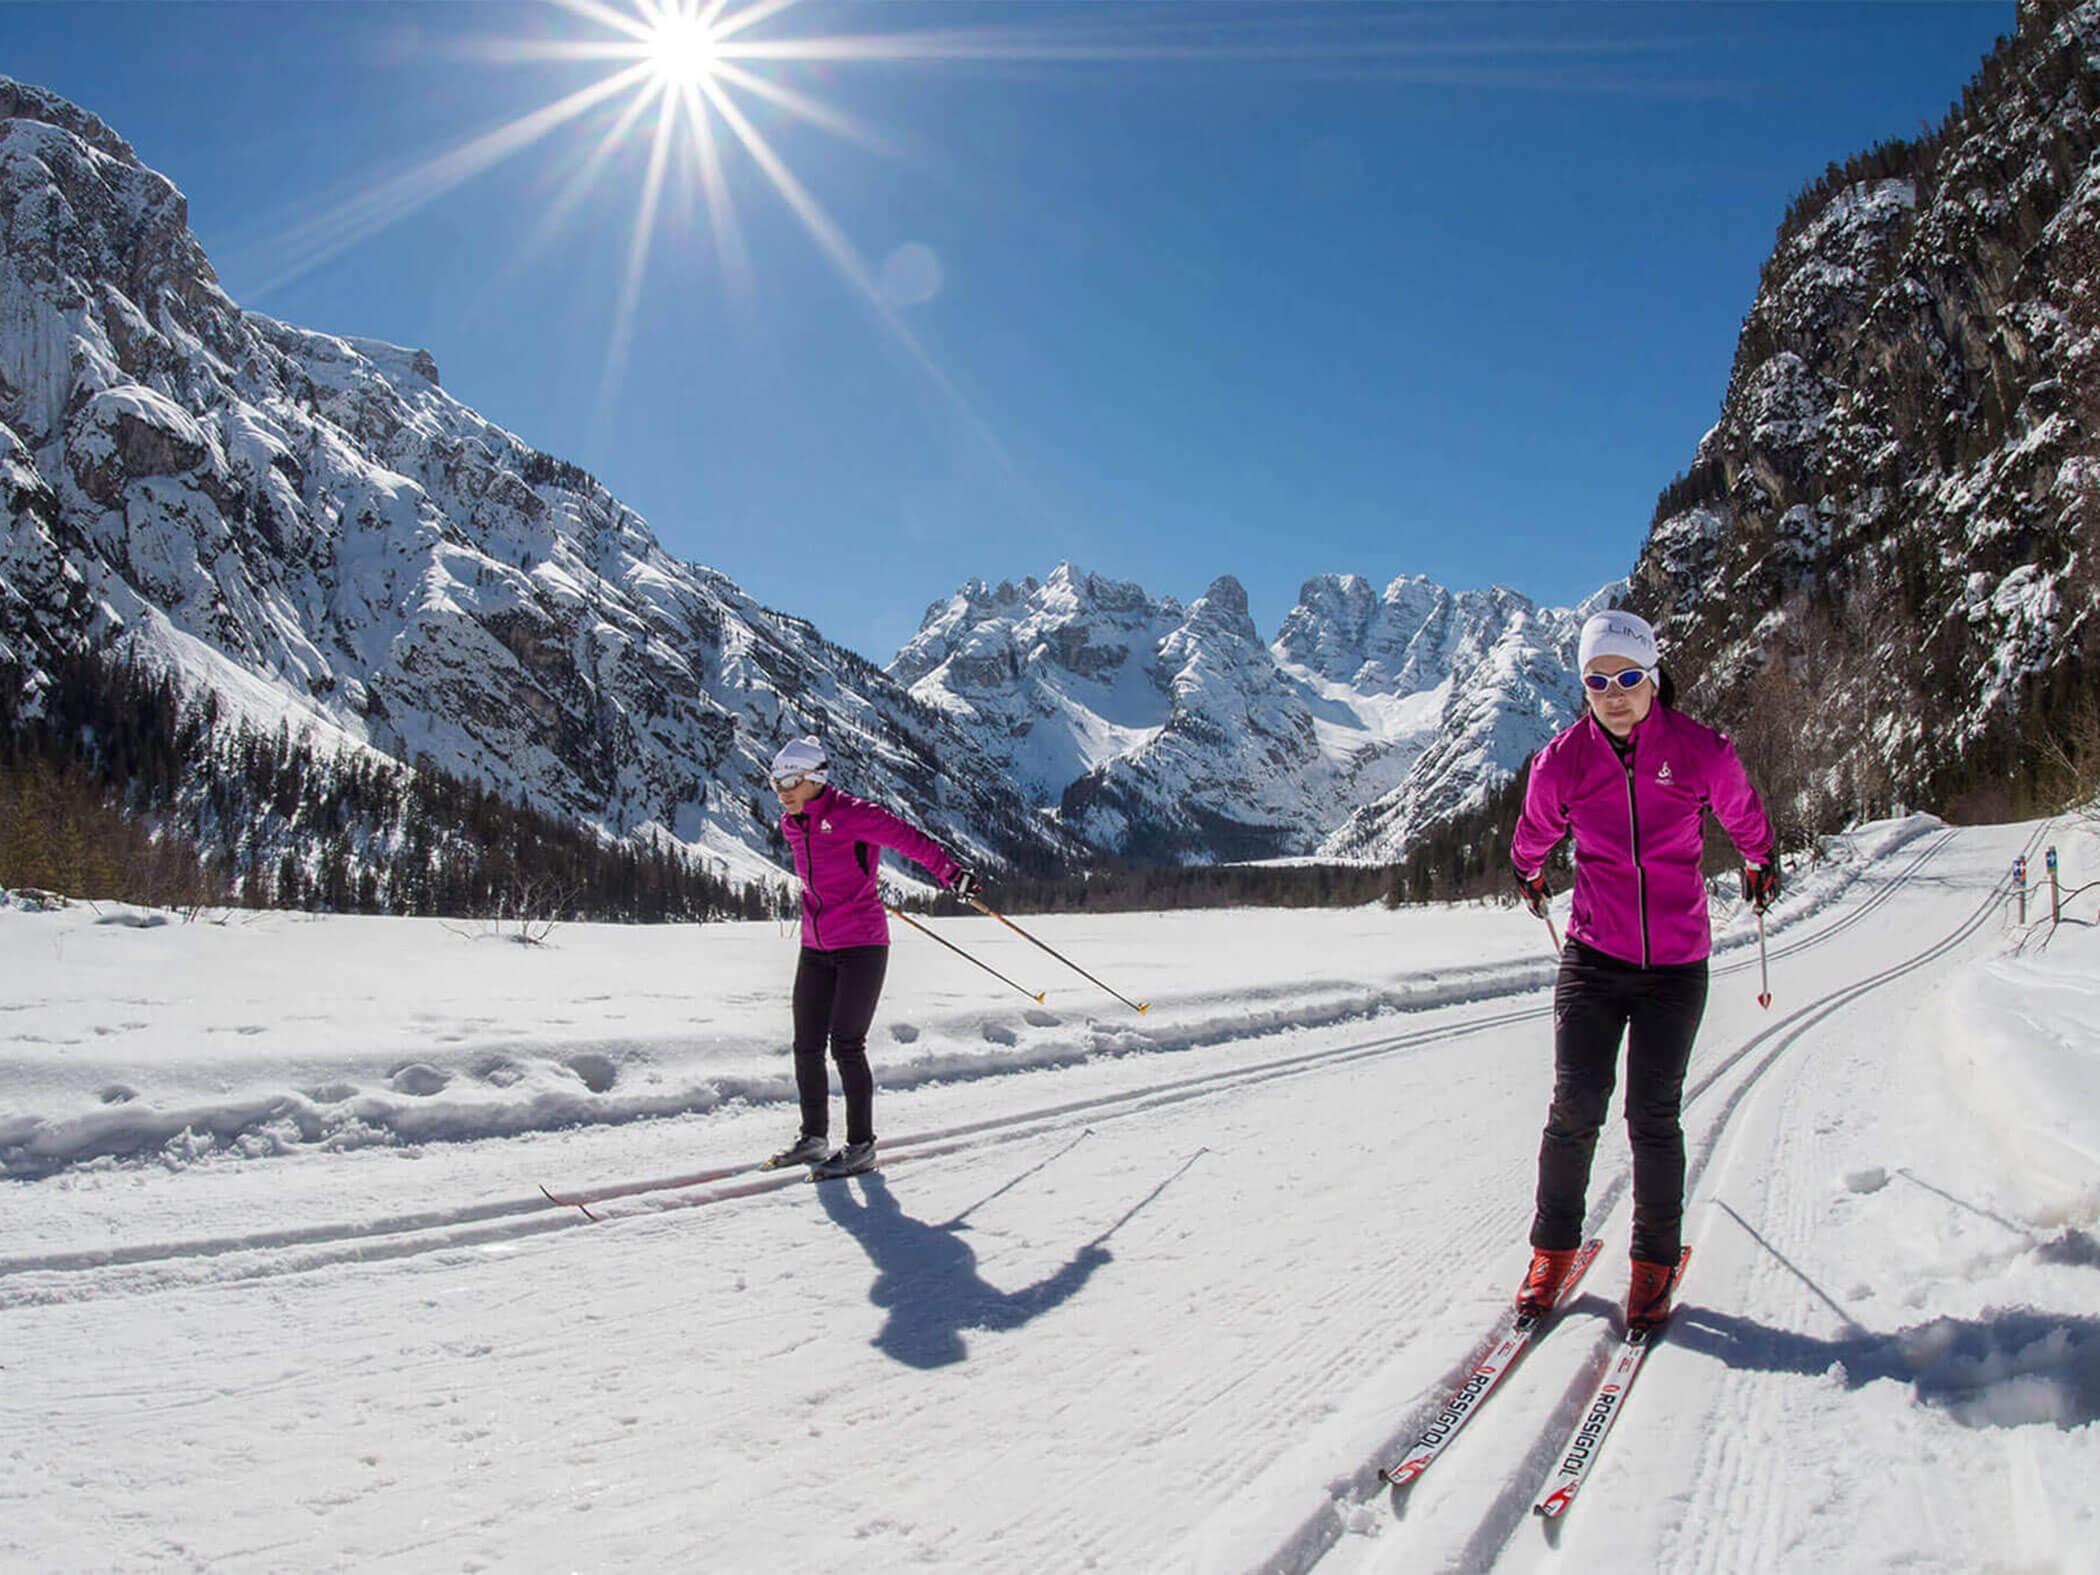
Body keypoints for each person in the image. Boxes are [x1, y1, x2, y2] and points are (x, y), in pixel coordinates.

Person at [1509, 609, 1779, 1331]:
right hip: (1594, 957)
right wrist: (1527, 869)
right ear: (1584, 685)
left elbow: (1743, 813)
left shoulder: (1701, 751)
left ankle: (1653, 1264)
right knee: (1574, 1110)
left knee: (1651, 1117)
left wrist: (1761, 859)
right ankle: (1552, 1249)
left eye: (1629, 677)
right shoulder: (1563, 759)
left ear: (1653, 675)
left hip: (1675, 965)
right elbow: (1532, 830)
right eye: (1598, 680)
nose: (1615, 692)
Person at [765, 736, 982, 1179]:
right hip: (815, 946)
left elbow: (908, 840)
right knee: (806, 1045)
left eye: (791, 780)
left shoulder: (853, 813)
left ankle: (861, 1146)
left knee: (846, 1044)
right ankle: (813, 1138)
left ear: (815, 779)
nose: (783, 790)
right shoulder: (793, 823)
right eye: (776, 782)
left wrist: (951, 873)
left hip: (861, 945)